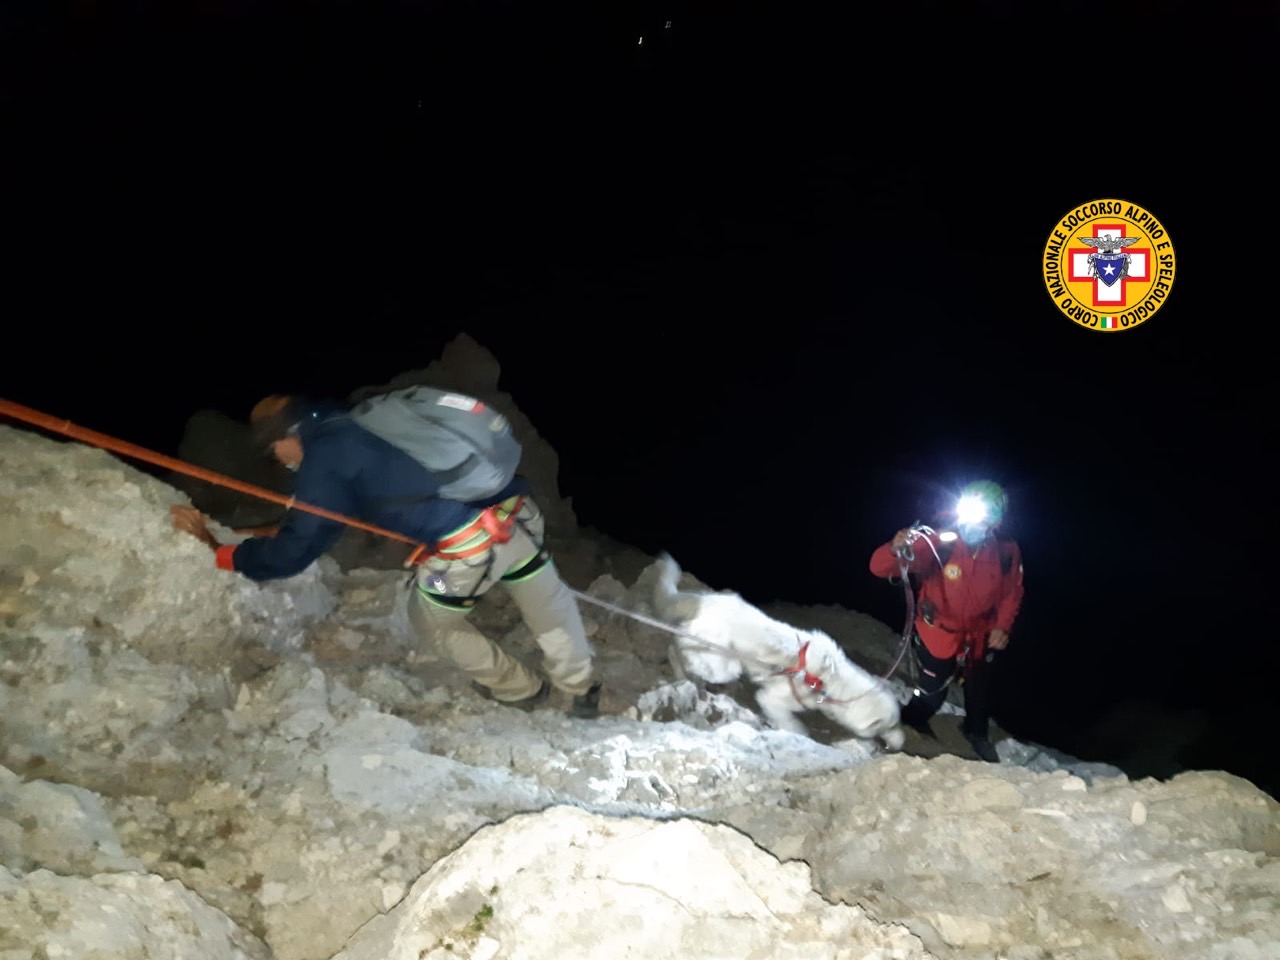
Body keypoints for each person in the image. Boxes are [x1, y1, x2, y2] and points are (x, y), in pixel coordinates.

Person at [170, 394, 602, 718]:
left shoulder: (324, 460)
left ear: (286, 437)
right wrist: (240, 533)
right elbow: (308, 523)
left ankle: (519, 690)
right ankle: (581, 689)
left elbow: (296, 549)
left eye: (273, 452)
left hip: (467, 549)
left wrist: (221, 553)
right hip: (512, 519)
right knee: (549, 602)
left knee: (430, 619)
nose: (279, 463)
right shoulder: (359, 426)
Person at [869, 479, 1024, 762]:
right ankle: (911, 721)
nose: (977, 523)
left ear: (997, 520)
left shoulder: (1005, 551)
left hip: (980, 635)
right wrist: (895, 548)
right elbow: (879, 568)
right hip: (938, 632)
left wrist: (1003, 625)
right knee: (932, 691)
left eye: (987, 515)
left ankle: (976, 733)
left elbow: (1012, 591)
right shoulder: (938, 542)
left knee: (980, 690)